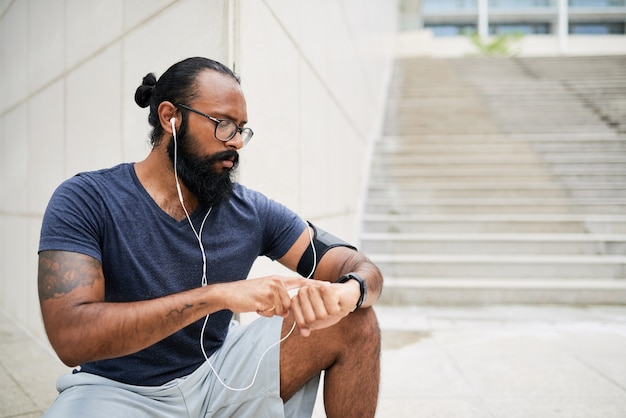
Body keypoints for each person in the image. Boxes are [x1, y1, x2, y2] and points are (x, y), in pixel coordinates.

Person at [38, 57, 383, 418]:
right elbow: (71, 337)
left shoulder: (250, 210)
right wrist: (216, 296)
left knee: (356, 319)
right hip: (118, 391)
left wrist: (350, 291)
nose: (236, 142)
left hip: (220, 375)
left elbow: (355, 264)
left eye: (241, 129)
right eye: (223, 125)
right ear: (170, 117)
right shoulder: (87, 199)